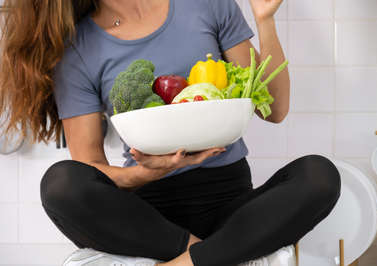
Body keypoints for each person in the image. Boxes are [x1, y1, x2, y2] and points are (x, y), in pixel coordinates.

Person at [0, 0, 341, 265]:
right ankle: (214, 255)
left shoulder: (206, 4)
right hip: (149, 221)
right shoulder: (78, 50)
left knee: (319, 175)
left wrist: (265, 21)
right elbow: (90, 166)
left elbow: (274, 109)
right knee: (60, 183)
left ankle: (181, 264)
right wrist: (145, 172)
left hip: (233, 205)